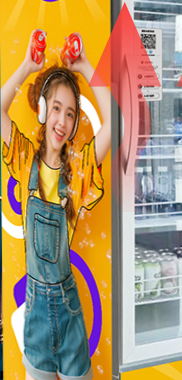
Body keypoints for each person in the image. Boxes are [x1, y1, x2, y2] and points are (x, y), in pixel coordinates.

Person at [2, 30, 111, 380]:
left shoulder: (78, 170)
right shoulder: (23, 159)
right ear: (43, 109)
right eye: (57, 109)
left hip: (69, 314)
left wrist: (84, 67)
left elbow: (118, 123)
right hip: (33, 314)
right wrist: (26, 67)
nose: (62, 122)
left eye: (70, 114)